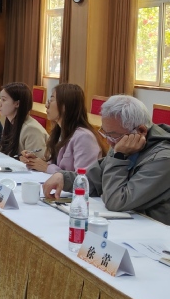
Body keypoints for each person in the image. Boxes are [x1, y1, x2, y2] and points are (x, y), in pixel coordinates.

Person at [43, 95, 170, 225]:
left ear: (141, 131)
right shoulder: (123, 143)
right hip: (127, 223)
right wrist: (64, 178)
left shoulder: (163, 159)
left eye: (113, 136)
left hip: (152, 230)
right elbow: (95, 180)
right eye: (105, 134)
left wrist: (119, 157)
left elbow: (117, 201)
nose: (109, 142)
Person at [22, 83, 102, 173]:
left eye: (51, 100)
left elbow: (83, 177)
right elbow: (56, 165)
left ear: (64, 106)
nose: (46, 105)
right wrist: (35, 162)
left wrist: (47, 168)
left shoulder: (84, 137)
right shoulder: (59, 131)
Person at [0, 82, 47, 157]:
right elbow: (10, 150)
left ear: (17, 104)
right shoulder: (11, 122)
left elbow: (36, 161)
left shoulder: (32, 130)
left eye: (4, 100)